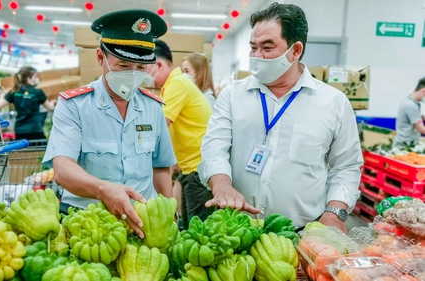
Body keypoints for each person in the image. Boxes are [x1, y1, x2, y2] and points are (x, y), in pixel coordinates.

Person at [198, 2, 363, 233]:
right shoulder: (233, 95)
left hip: (303, 232)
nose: (257, 56)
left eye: (267, 47)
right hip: (237, 228)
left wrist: (335, 211)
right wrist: (221, 185)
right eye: (253, 47)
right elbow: (215, 145)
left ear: (295, 50)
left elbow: (346, 165)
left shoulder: (333, 103)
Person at [42, 10, 176, 238]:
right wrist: (103, 190)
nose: (133, 74)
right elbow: (63, 169)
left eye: (141, 68)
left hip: (143, 224)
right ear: (100, 57)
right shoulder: (75, 105)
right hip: (87, 225)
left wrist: (170, 213)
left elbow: (161, 166)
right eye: (123, 66)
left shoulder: (152, 107)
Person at [145, 40, 214, 230]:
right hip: (189, 168)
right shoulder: (174, 85)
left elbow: (158, 129)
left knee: (199, 231)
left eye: (144, 69)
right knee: (187, 225)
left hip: (197, 169)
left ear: (158, 65)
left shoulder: (178, 84)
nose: (144, 75)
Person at [0, 66, 56, 140]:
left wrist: (2, 96)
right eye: (35, 77)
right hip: (35, 130)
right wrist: (53, 102)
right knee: (39, 150)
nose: (36, 79)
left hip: (20, 131)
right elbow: (49, 107)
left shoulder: (14, 92)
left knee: (23, 151)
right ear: (28, 78)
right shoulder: (37, 92)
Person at [393, 77, 425, 148]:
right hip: (404, 146)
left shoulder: (413, 103)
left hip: (409, 143)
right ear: (423, 91)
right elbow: (421, 129)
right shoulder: (410, 105)